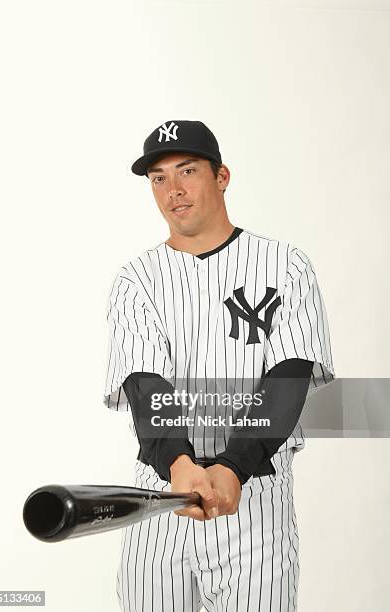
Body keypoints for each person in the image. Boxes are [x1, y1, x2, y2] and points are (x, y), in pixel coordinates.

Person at [103, 120, 335, 611]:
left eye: (187, 170)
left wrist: (234, 466)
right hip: (162, 500)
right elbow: (146, 386)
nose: (173, 190)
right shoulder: (136, 280)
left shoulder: (285, 265)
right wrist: (179, 463)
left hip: (256, 501)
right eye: (158, 177)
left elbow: (288, 380)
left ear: (222, 176)